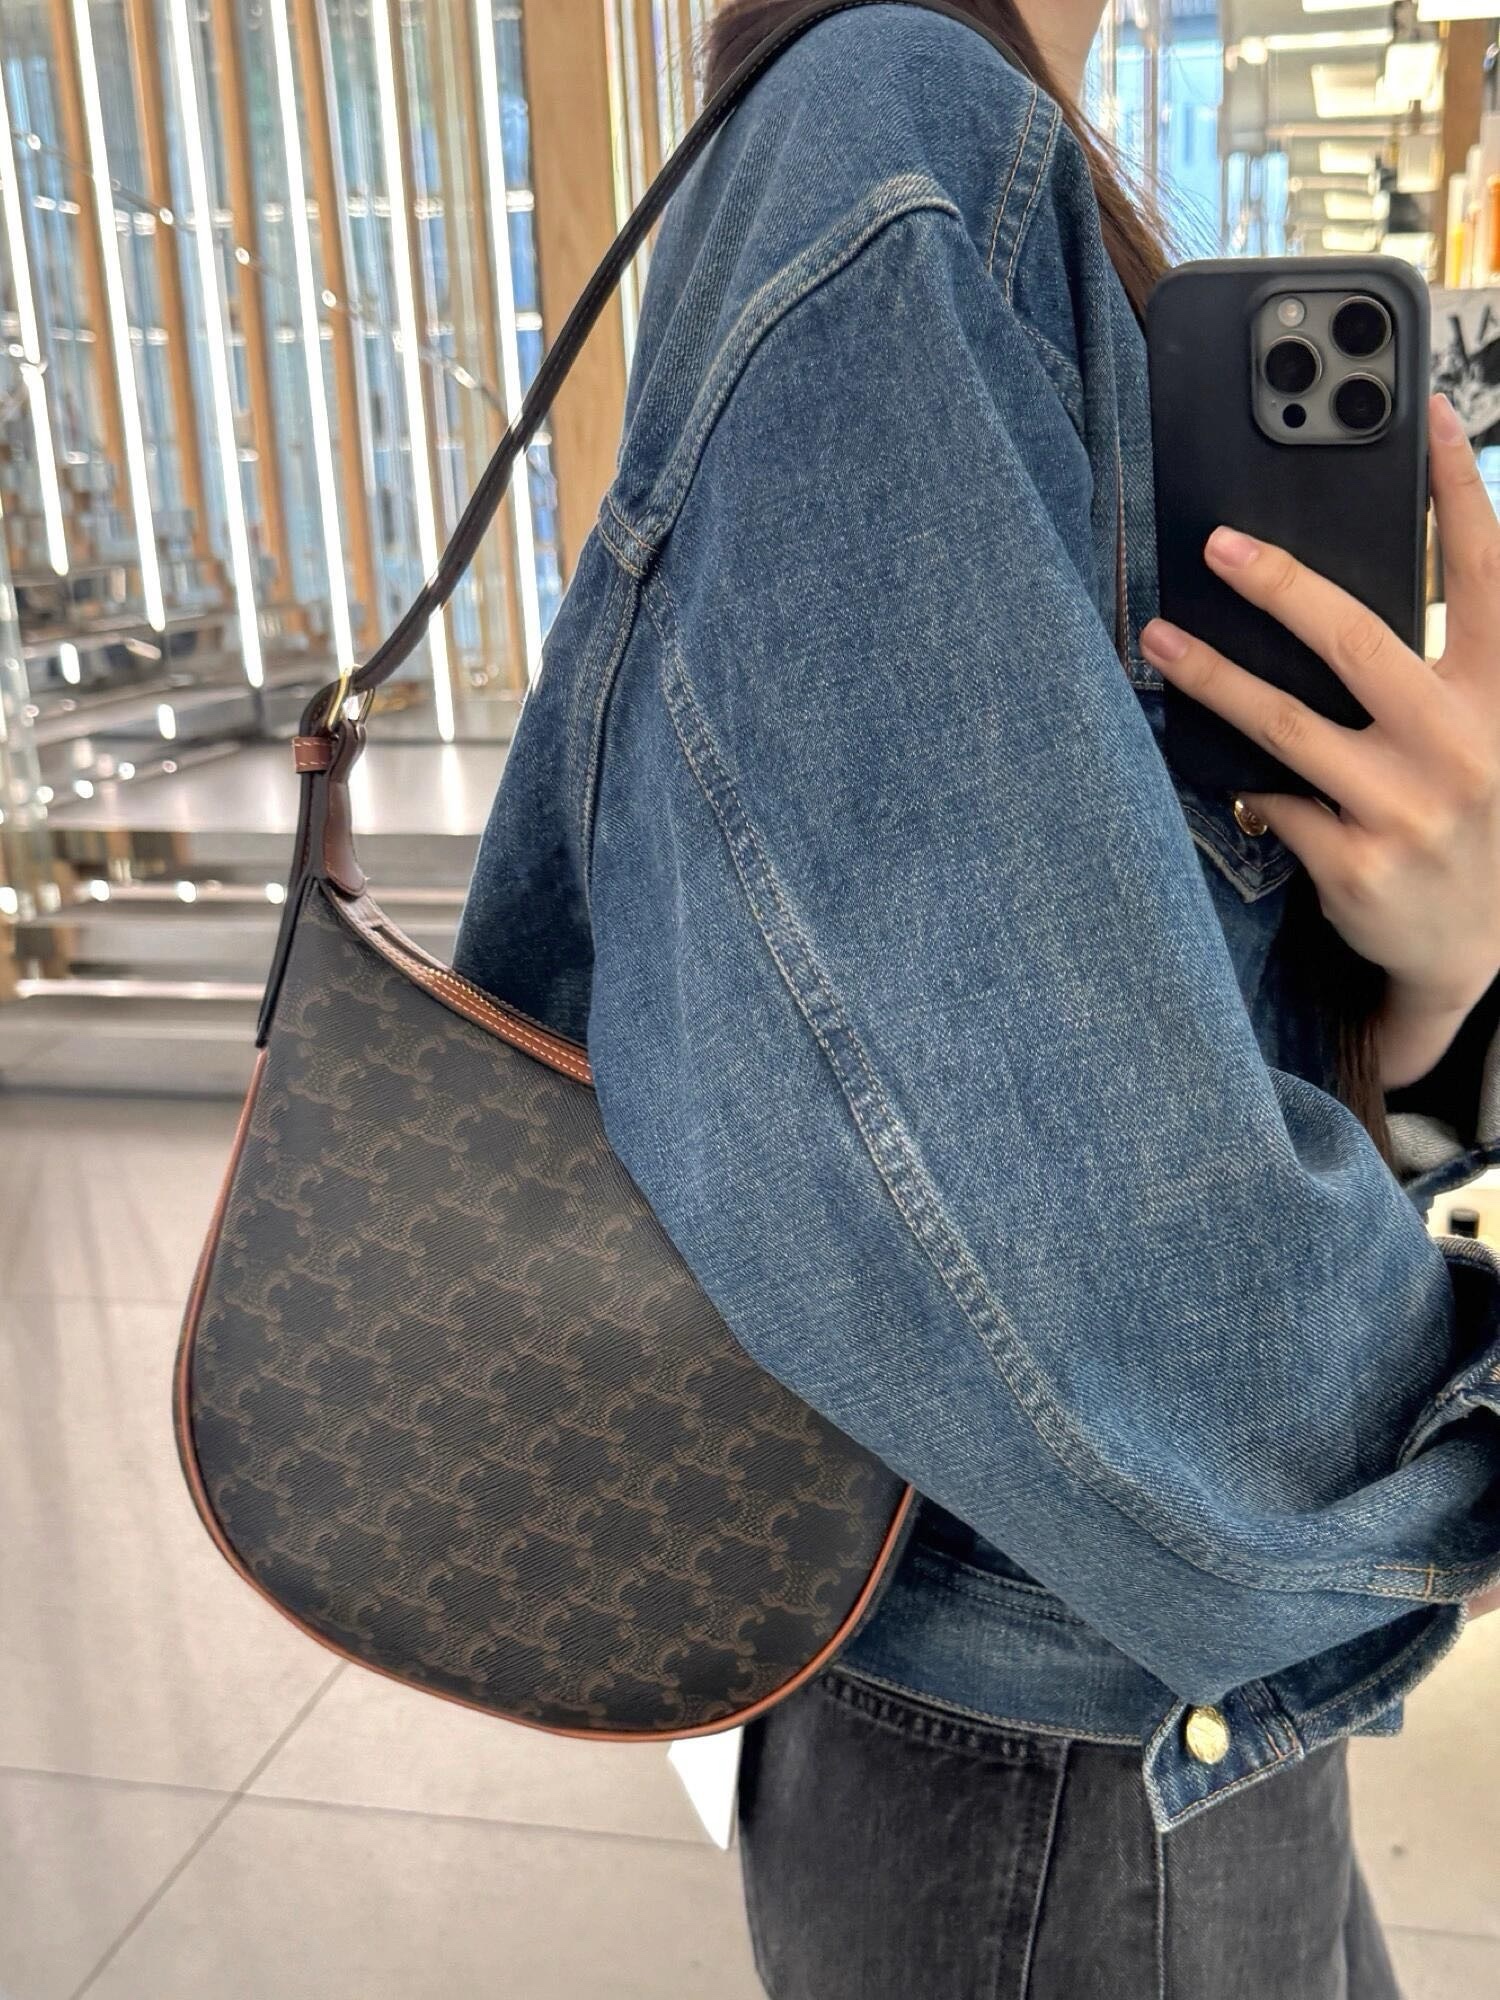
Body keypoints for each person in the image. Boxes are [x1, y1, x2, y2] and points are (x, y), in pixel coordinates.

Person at [452, 2, 1500, 1992]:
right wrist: (1440, 1449)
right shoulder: (899, 129)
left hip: (1113, 1682)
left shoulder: (975, 153)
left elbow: (1136, 1066)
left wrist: (1445, 952)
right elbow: (1046, 1200)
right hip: (1062, 1740)